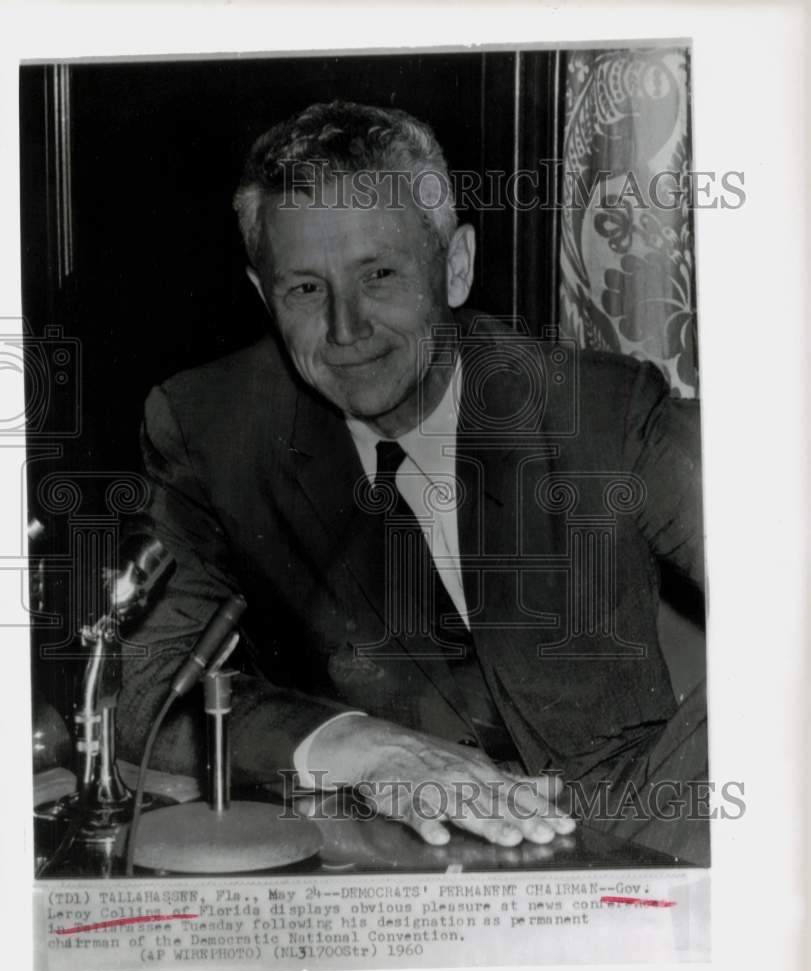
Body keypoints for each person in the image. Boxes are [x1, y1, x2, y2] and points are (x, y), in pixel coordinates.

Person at [119, 100, 707, 862]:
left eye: (380, 275)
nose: (345, 329)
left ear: (454, 268)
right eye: (304, 290)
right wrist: (361, 746)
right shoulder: (207, 425)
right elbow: (136, 691)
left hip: (630, 827)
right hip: (387, 854)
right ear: (265, 298)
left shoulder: (599, 407)